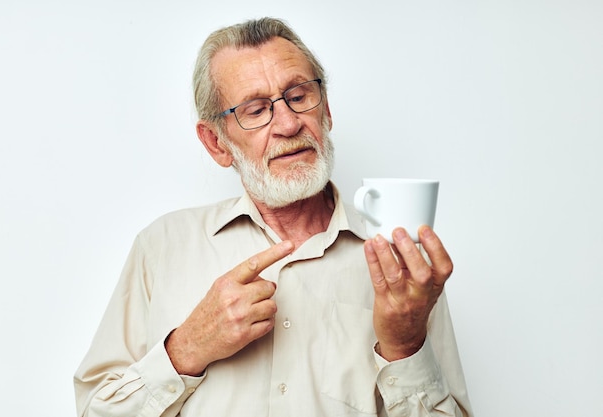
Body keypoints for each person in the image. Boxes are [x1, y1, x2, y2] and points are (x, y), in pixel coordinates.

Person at [74, 17, 473, 417]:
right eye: (256, 110)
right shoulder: (162, 246)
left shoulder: (401, 265)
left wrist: (405, 348)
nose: (287, 123)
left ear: (327, 111)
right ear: (217, 143)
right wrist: (187, 348)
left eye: (299, 97)